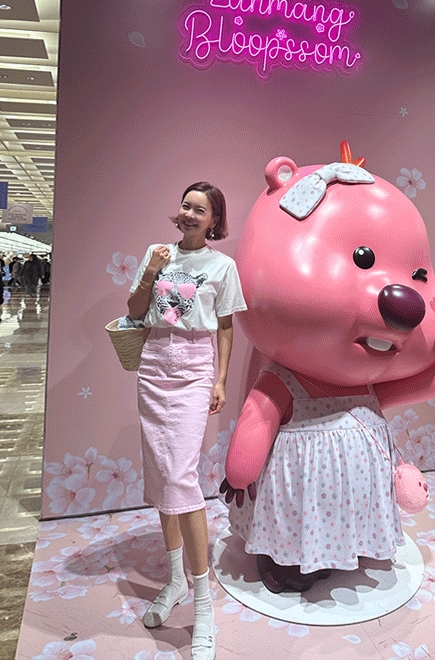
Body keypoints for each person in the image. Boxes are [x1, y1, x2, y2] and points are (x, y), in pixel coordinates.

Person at [127, 182, 247, 660]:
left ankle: (202, 606)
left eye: (201, 209)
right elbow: (134, 312)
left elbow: (225, 326)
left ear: (215, 220)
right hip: (155, 364)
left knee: (181, 476)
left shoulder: (222, 266)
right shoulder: (157, 254)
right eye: (186, 205)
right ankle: (176, 579)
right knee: (161, 474)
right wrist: (150, 272)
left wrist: (220, 380)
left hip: (195, 369)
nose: (190, 213)